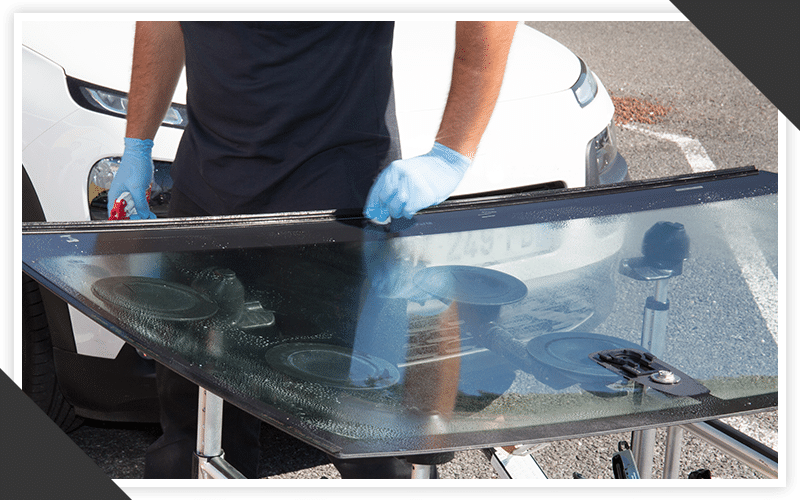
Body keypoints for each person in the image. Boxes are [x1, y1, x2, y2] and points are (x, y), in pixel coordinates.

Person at [108, 20, 516, 479]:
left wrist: (451, 154)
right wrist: (136, 144)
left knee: (369, 429)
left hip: (333, 204)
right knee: (193, 426)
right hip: (207, 191)